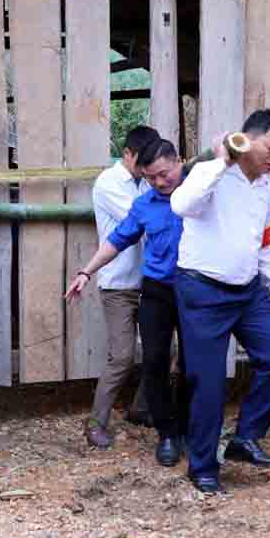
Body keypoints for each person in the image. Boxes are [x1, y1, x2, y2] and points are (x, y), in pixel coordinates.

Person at [170, 109, 270, 494]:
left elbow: (267, 242)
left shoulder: (265, 191)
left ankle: (245, 438)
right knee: (209, 384)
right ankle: (203, 468)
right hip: (202, 290)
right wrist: (219, 161)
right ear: (248, 139)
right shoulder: (212, 175)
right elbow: (181, 204)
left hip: (248, 291)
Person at [67, 137, 188, 467]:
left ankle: (189, 429)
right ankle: (166, 433)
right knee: (153, 360)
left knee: (193, 363)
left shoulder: (198, 191)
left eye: (164, 174)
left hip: (194, 290)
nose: (160, 182)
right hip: (155, 289)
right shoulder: (144, 202)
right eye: (152, 178)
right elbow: (118, 239)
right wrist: (85, 271)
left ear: (179, 162)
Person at [80, 125, 159, 448]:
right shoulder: (109, 183)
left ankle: (140, 408)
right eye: (142, 162)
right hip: (118, 285)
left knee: (162, 351)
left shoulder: (144, 183)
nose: (146, 169)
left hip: (148, 280)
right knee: (122, 357)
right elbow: (140, 222)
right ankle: (95, 423)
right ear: (127, 154)